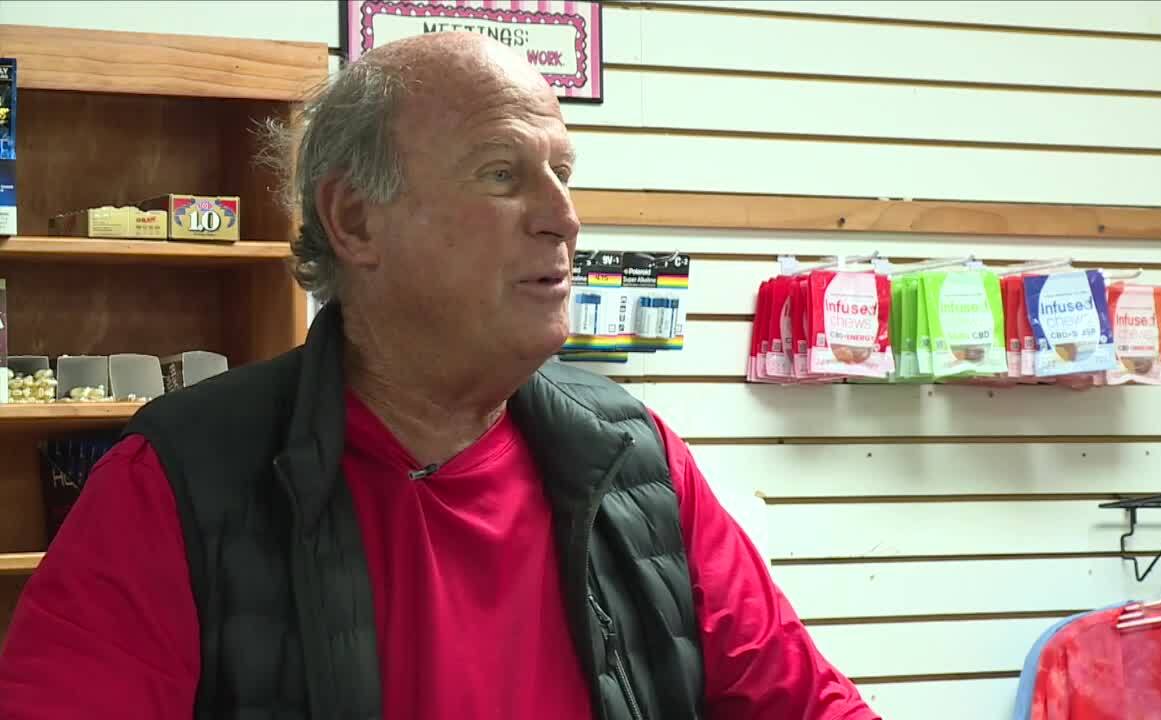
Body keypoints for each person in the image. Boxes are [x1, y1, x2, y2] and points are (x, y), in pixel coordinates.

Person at [0, 32, 881, 720]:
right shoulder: (177, 484)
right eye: (503, 174)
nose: (563, 218)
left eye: (562, 174)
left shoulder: (636, 465)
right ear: (354, 220)